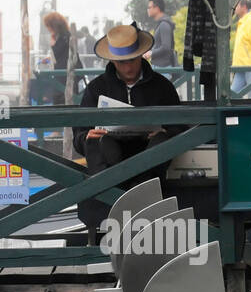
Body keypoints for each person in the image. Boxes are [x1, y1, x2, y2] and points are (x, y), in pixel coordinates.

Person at [75, 23, 181, 234]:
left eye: (132, 60)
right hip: (110, 160)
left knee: (163, 142)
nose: (128, 67)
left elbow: (179, 128)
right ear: (112, 60)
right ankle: (110, 197)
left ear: (141, 55)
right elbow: (78, 137)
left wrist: (165, 133)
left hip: (149, 163)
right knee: (96, 142)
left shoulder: (162, 86)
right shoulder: (96, 89)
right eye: (121, 62)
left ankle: (136, 198)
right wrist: (87, 136)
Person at [145, 0, 178, 68]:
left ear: (157, 8)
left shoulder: (164, 24)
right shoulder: (161, 24)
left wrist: (151, 53)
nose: (148, 10)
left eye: (149, 7)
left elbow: (166, 47)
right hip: (160, 68)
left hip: (164, 69)